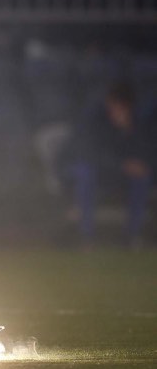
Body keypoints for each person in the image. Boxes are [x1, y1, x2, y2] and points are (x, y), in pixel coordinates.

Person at [67, 81, 153, 249]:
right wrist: (122, 165)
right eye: (116, 105)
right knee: (86, 174)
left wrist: (126, 131)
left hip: (111, 171)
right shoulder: (92, 116)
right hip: (82, 166)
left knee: (142, 176)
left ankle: (132, 235)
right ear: (109, 102)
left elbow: (141, 152)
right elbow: (89, 153)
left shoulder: (133, 120)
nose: (119, 111)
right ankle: (86, 236)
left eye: (124, 107)